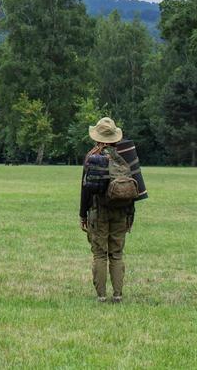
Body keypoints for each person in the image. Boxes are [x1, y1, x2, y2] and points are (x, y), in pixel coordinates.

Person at [79, 116, 147, 303]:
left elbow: (85, 189)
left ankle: (101, 296)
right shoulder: (126, 156)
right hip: (121, 211)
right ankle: (118, 295)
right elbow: (135, 190)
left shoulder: (93, 157)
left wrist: (82, 214)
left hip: (98, 212)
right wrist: (130, 216)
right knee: (116, 254)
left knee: (100, 254)